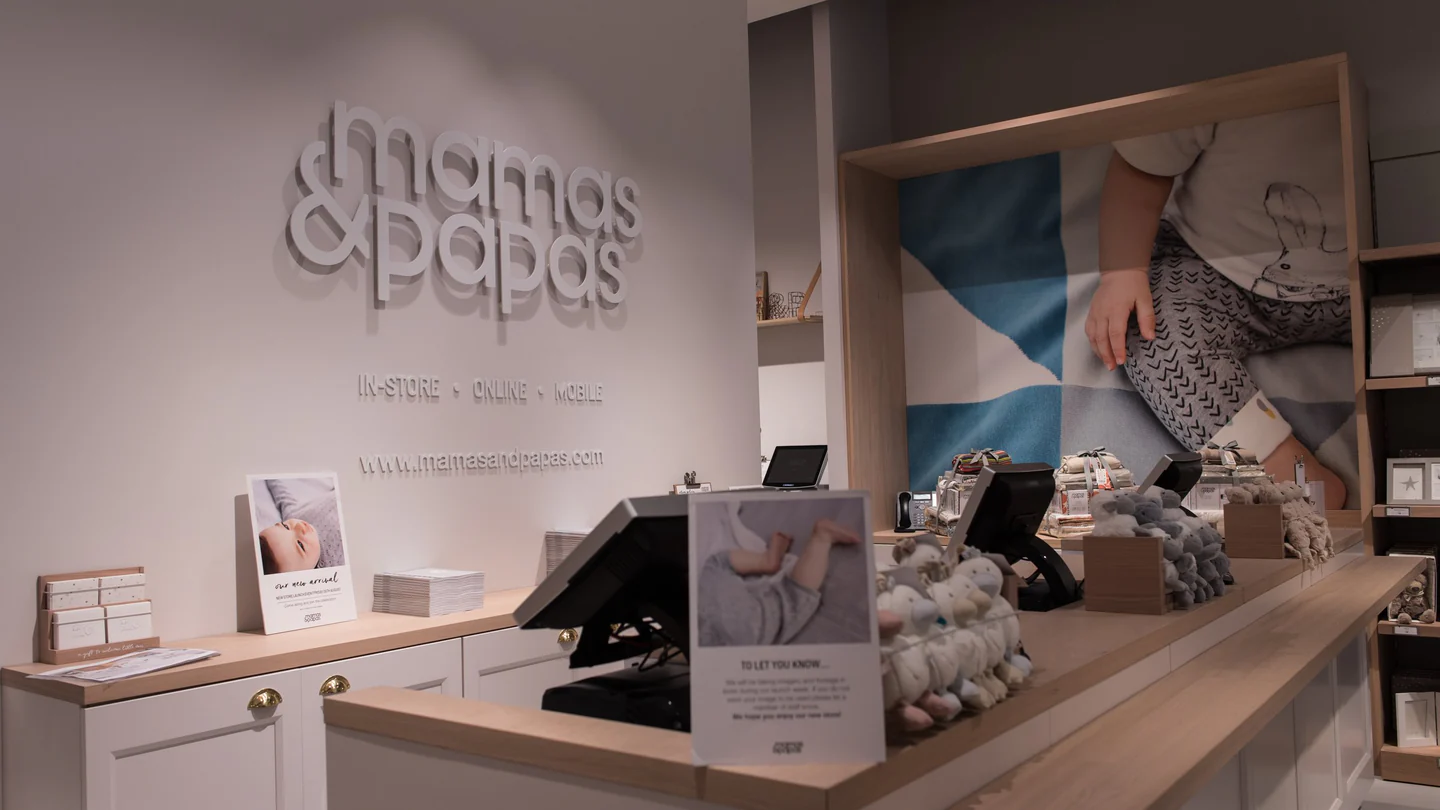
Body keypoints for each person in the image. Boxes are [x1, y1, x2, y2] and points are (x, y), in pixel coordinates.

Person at [1085, 105, 1350, 508]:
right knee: (1151, 333)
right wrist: (1122, 272)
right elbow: (1141, 170)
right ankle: (1284, 470)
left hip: (1363, 283)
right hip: (1219, 271)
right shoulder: (1206, 86)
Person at [698, 502, 862, 647]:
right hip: (703, 588)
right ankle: (765, 561)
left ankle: (822, 538)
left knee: (791, 601)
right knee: (716, 563)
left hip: (715, 630)